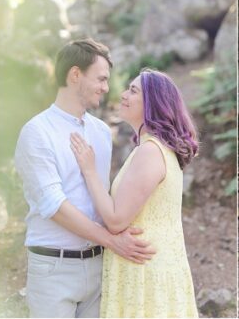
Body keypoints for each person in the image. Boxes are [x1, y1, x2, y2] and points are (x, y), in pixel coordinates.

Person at [14, 39, 155, 318]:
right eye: (101, 79)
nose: (106, 87)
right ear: (75, 74)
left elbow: (103, 196)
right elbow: (53, 205)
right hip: (55, 267)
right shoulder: (36, 132)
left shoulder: (102, 132)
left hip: (99, 265)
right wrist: (112, 240)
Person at [70, 68, 199, 317]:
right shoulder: (155, 149)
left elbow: (117, 220)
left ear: (153, 102)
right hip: (149, 262)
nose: (123, 95)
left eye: (133, 90)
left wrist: (89, 170)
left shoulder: (151, 151)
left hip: (142, 267)